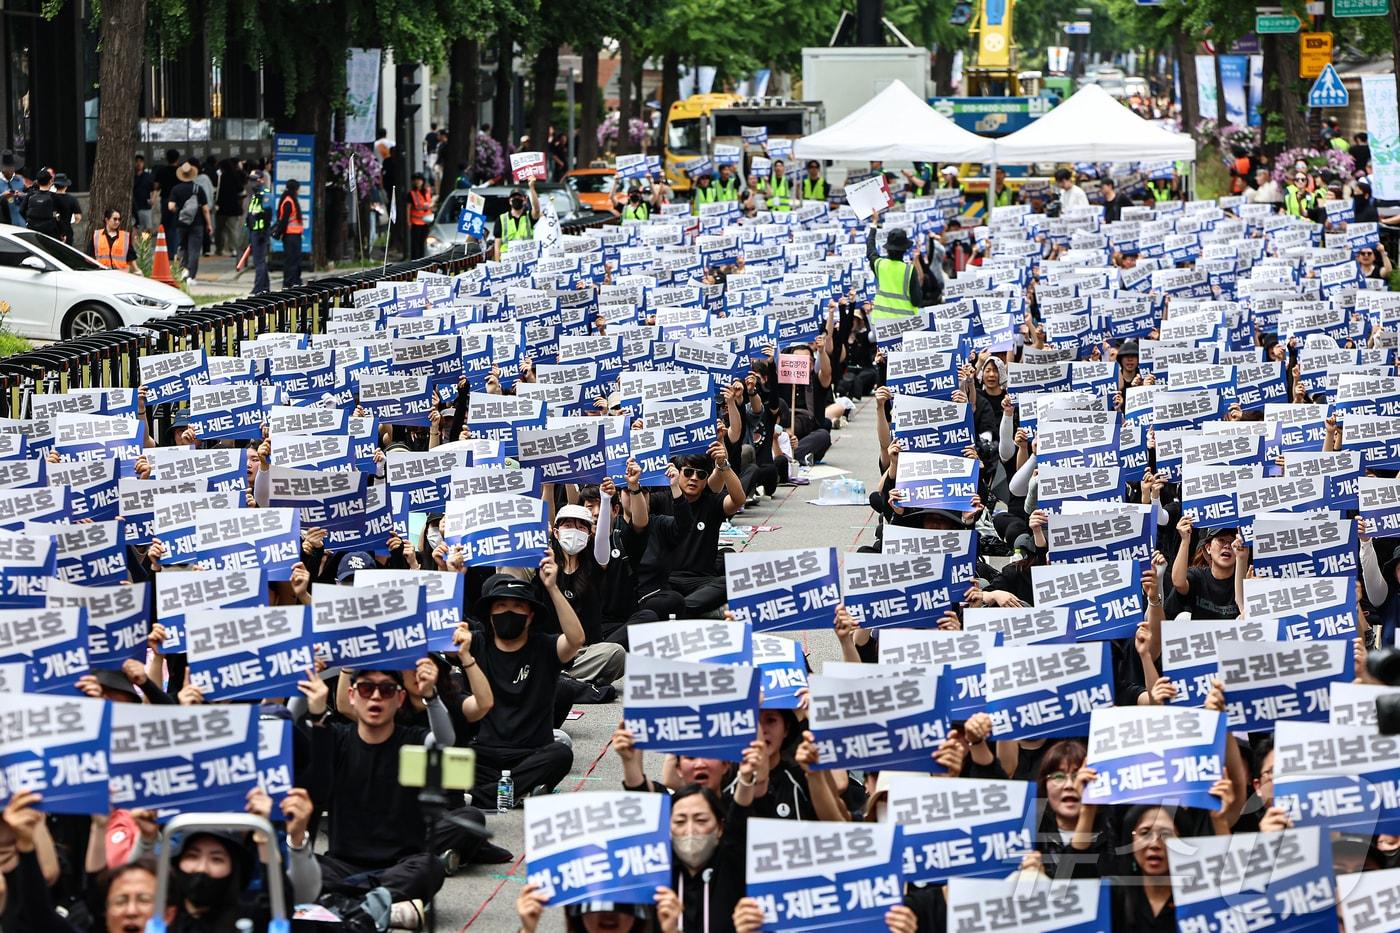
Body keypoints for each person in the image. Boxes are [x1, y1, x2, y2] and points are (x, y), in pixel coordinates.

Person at [300, 662, 486, 928]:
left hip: (399, 864)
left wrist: (431, 696)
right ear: (352, 696)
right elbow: (306, 765)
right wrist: (311, 704)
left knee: (429, 867)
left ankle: (345, 904)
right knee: (301, 867)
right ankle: (378, 906)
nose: (376, 696)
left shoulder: (413, 740)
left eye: (386, 690)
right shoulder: (336, 738)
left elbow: (444, 741)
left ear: (400, 699)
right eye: (366, 689)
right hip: (343, 863)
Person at [464, 569, 585, 809]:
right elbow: (442, 634)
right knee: (447, 758)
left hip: (531, 753)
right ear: (490, 614)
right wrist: (452, 576)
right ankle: (519, 789)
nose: (509, 612)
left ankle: (483, 796)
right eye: (501, 605)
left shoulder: (545, 647)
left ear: (530, 616)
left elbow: (575, 639)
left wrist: (552, 586)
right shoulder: (476, 643)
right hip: (482, 752)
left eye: (518, 606)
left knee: (560, 754)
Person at [1169, 518, 1240, 619]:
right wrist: (1185, 540)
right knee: (1183, 617)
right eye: (1221, 540)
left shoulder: (1244, 580)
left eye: (1232, 542)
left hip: (1234, 634)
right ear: (1208, 548)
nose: (1227, 546)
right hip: (1200, 634)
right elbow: (1178, 583)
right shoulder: (1198, 576)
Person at [866, 214, 923, 325]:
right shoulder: (909, 270)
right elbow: (917, 301)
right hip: (905, 324)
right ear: (905, 250)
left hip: (880, 323)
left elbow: (870, 249)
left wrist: (874, 224)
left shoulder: (879, 265)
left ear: (887, 249)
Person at [167, 161, 211, 283]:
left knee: (182, 247)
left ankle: (182, 272)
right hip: (197, 223)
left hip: (181, 223)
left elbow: (171, 206)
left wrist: (178, 210)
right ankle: (191, 276)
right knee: (194, 250)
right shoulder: (198, 189)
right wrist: (209, 224)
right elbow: (205, 209)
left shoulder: (176, 189)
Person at [244, 170, 274, 295]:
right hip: (254, 232)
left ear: (261, 180)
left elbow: (267, 214)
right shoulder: (255, 195)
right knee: (259, 260)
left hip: (261, 232)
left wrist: (262, 232)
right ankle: (265, 287)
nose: (252, 182)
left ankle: (258, 288)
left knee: (259, 261)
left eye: (254, 179)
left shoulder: (265, 194)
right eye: (250, 179)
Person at [493, 180, 539, 260]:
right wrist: (497, 263)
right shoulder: (501, 219)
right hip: (508, 260)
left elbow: (537, 209)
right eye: (514, 197)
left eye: (519, 197)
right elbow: (497, 245)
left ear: (525, 200)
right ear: (510, 201)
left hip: (527, 258)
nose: (516, 199)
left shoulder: (529, 216)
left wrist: (531, 187)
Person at [213, 157, 247, 257]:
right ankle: (234, 249)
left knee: (219, 229)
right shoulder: (236, 176)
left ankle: (219, 248)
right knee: (233, 229)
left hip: (221, 207)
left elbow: (215, 192)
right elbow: (241, 191)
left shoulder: (220, 177)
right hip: (234, 207)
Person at [90, 208, 138, 272]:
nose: (117, 222)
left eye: (119, 219)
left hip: (121, 275)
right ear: (107, 220)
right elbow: (90, 257)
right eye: (115, 219)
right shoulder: (96, 236)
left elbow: (131, 257)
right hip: (102, 274)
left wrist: (137, 270)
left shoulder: (124, 237)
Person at [277, 178, 304, 288]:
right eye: (298, 189)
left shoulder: (290, 199)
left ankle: (295, 280)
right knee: (291, 259)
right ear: (295, 189)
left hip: (294, 234)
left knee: (295, 258)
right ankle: (289, 282)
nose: (298, 192)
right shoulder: (288, 201)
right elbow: (284, 220)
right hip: (290, 235)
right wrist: (280, 233)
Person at [19, 169, 61, 238]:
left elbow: (21, 210)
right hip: (49, 231)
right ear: (50, 181)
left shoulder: (30, 195)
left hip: (32, 230)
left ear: (37, 182)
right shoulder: (54, 196)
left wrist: (28, 220)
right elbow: (56, 214)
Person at [153, 148, 181, 234]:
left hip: (166, 199)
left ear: (167, 159)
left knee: (166, 223)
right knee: (177, 223)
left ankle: (167, 242)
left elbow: (156, 187)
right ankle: (176, 244)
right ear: (178, 159)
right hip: (178, 200)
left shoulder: (161, 171)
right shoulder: (181, 171)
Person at [407, 172, 433, 260]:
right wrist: (408, 221)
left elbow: (431, 204)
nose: (417, 182)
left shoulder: (427, 192)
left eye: (419, 180)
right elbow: (408, 208)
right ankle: (415, 261)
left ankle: (422, 260)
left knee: (423, 243)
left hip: (426, 221)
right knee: (415, 244)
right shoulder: (411, 193)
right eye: (415, 180)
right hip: (416, 221)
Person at [51, 173, 81, 244]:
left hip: (51, 231)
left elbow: (54, 214)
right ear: (66, 186)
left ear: (55, 185)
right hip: (67, 231)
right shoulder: (72, 199)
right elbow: (78, 218)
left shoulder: (50, 198)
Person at [0, 150, 25, 226]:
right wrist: (2, 196)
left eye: (12, 168)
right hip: (4, 223)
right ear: (3, 169)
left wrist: (21, 195)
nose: (11, 171)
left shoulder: (20, 180)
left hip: (20, 221)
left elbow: (29, 197)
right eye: (8, 169)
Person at [132, 154, 155, 230]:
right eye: (136, 161)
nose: (138, 163)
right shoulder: (130, 176)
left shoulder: (148, 176)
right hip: (133, 208)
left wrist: (153, 199)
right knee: (135, 229)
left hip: (146, 206)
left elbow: (153, 190)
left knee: (147, 229)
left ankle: (145, 242)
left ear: (143, 163)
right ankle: (135, 242)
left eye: (141, 162)